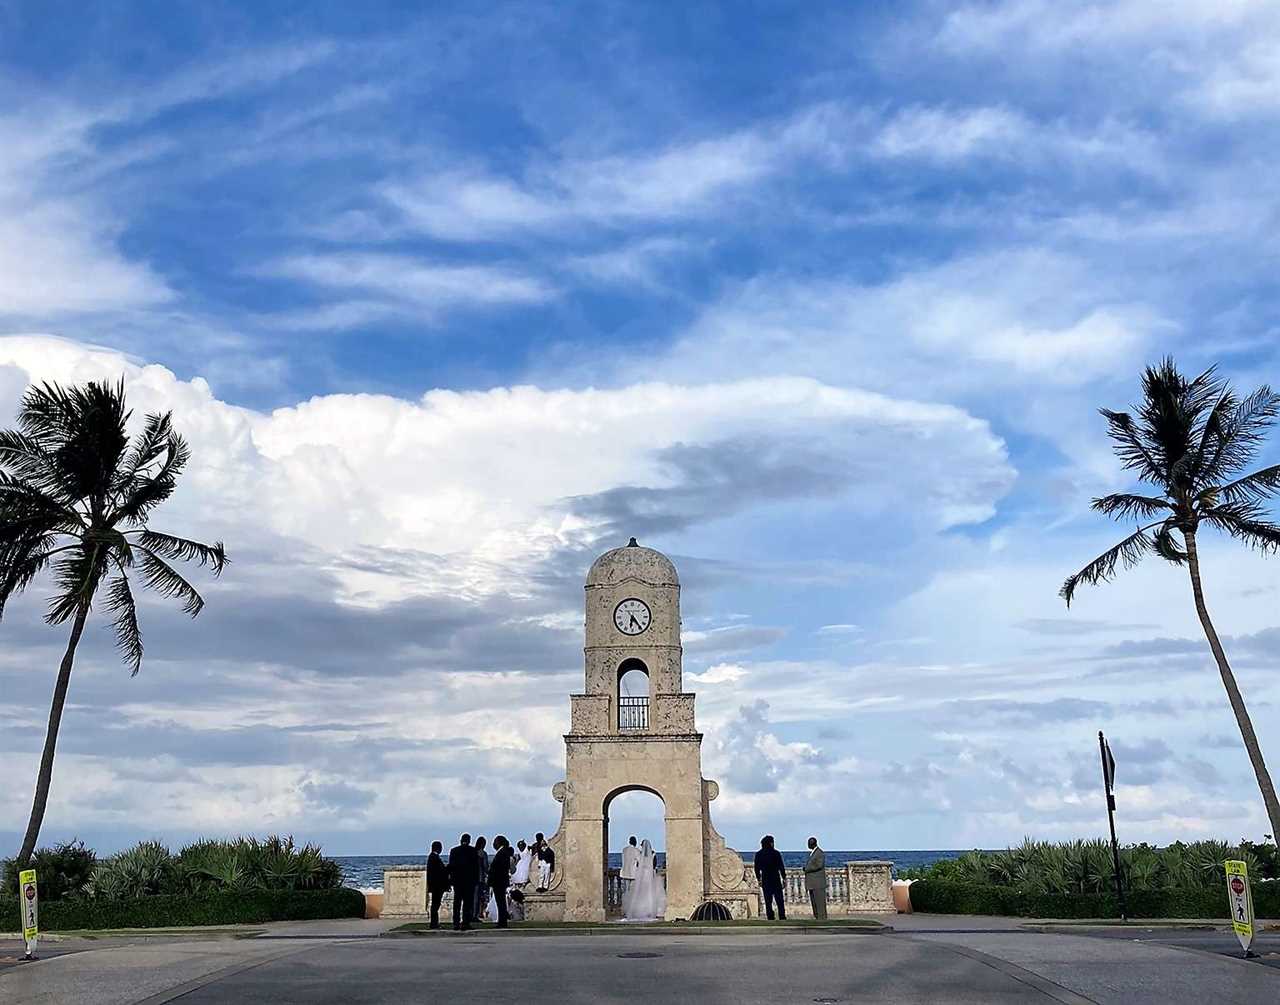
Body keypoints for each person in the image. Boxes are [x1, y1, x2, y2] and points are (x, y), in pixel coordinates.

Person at [449, 833, 480, 930]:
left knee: (457, 902)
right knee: (467, 903)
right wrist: (476, 880)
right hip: (469, 882)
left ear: (461, 840)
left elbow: (451, 867)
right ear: (469, 840)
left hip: (458, 881)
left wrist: (451, 880)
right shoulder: (473, 851)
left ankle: (456, 922)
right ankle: (465, 922)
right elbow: (476, 868)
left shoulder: (454, 851)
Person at [753, 835, 786, 921]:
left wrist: (759, 878)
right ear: (771, 843)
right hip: (775, 878)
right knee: (779, 900)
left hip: (765, 879)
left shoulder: (759, 854)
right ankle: (782, 916)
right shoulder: (776, 853)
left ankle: (770, 916)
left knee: (768, 901)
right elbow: (781, 867)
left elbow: (756, 868)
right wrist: (784, 877)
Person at [488, 835, 515, 928]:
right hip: (500, 881)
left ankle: (502, 921)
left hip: (499, 881)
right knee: (501, 902)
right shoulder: (504, 852)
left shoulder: (502, 853)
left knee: (501, 902)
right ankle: (502, 920)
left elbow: (498, 868)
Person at [426, 840, 450, 929]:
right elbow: (440, 872)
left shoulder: (432, 857)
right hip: (437, 886)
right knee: (435, 905)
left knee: (435, 904)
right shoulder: (434, 858)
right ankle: (434, 923)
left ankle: (434, 923)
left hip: (435, 885)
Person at [804, 835, 827, 920]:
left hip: (818, 883)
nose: (808, 845)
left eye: (809, 843)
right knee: (814, 902)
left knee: (820, 903)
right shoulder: (813, 852)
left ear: (813, 844)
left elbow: (819, 865)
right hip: (813, 883)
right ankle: (817, 917)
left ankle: (822, 918)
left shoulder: (819, 853)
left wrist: (807, 869)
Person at [473, 836, 490, 924]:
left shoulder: (472, 852)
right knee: (477, 898)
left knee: (471, 898)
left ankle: (470, 914)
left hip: (471, 878)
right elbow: (486, 866)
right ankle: (475, 915)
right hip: (479, 878)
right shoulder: (483, 853)